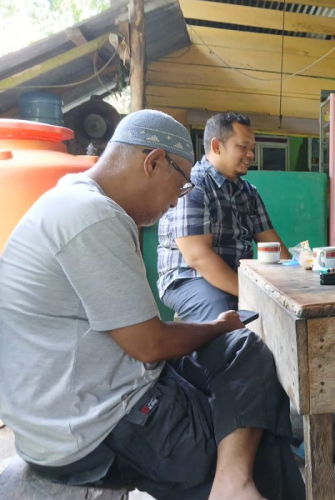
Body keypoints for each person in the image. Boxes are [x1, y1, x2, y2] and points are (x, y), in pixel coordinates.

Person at [0, 110, 304, 500]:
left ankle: (234, 483)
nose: (173, 204)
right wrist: (216, 325)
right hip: (94, 425)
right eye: (179, 189)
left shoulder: (76, 198)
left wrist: (224, 329)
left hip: (98, 390)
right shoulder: (90, 216)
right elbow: (149, 344)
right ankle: (236, 486)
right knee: (258, 437)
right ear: (154, 162)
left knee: (245, 351)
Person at [157, 112, 291, 323]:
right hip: (190, 278)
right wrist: (252, 292)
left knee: (288, 313)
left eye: (252, 148)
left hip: (237, 277)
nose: (251, 155)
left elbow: (271, 242)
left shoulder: (249, 192)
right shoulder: (193, 186)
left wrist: (295, 279)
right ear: (217, 146)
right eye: (243, 147)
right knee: (228, 320)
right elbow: (198, 258)